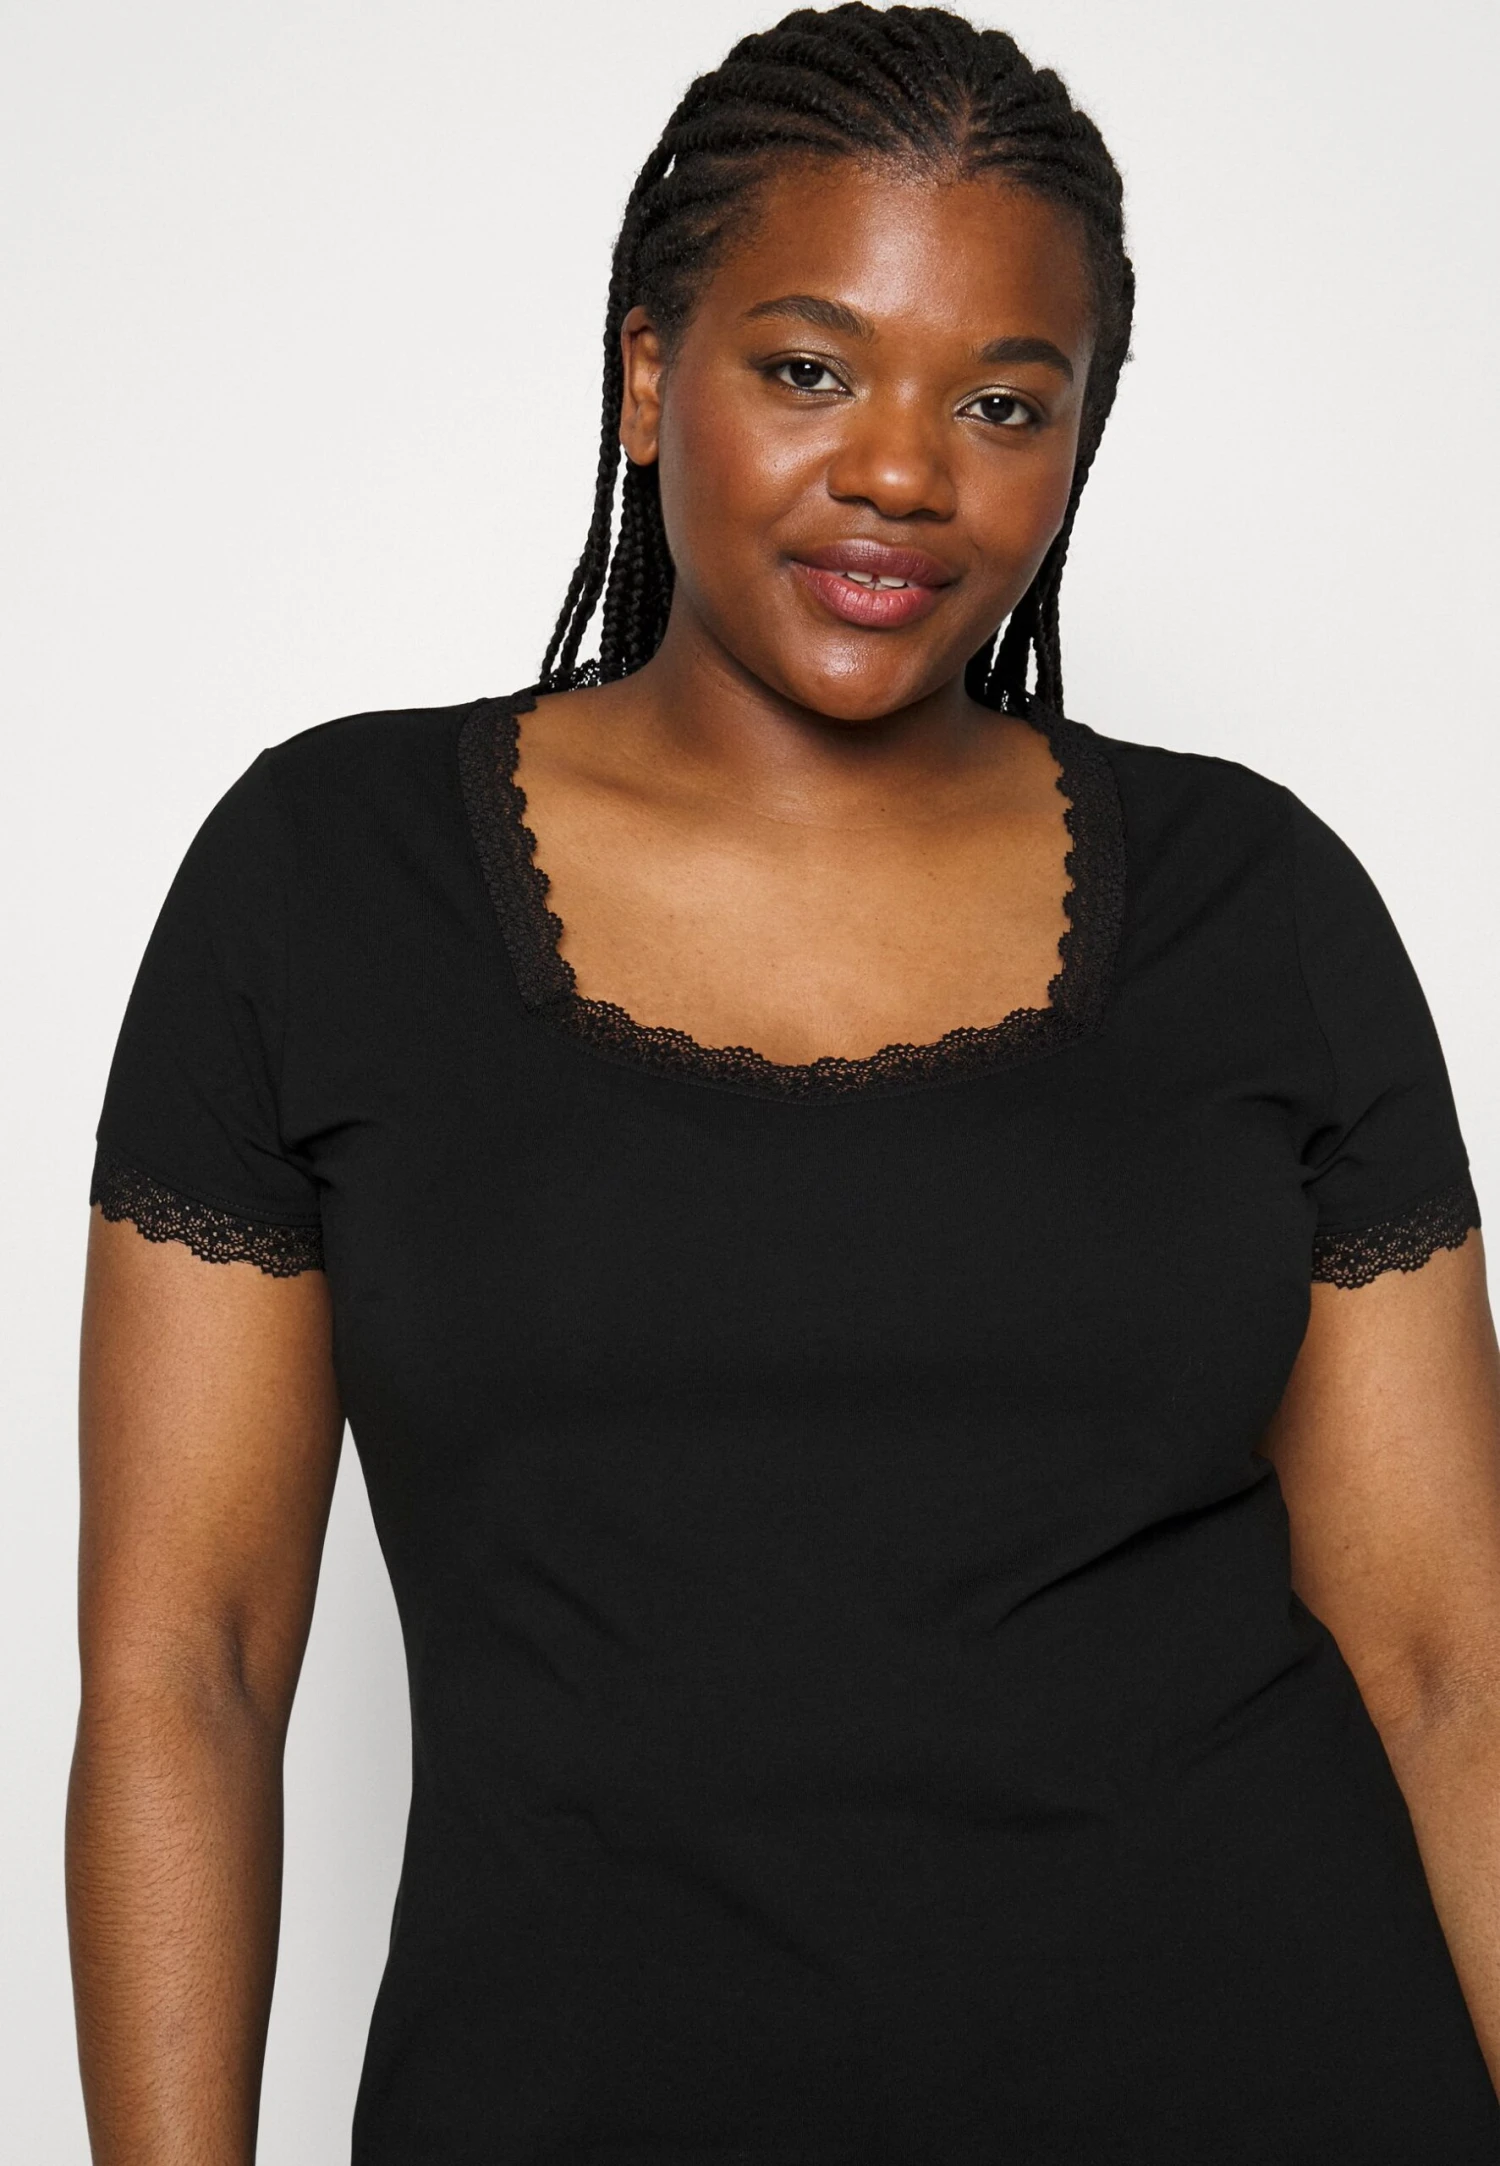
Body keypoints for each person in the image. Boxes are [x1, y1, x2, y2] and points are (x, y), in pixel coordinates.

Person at [68, 5, 1500, 2160]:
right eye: (812, 368)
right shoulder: (326, 881)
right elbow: (190, 1665)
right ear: (649, 373)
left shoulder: (1258, 900)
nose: (904, 472)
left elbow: (1451, 1669)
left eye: (1003, 403)